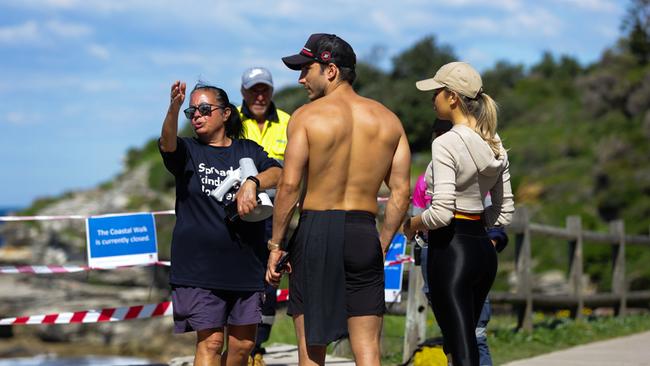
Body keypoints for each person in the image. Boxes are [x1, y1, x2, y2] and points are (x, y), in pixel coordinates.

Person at [266, 33, 411, 366]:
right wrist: (383, 244)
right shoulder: (389, 121)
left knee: (311, 349)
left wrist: (276, 246)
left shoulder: (306, 117)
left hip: (318, 229)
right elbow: (400, 193)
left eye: (306, 69)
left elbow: (289, 185)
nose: (301, 78)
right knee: (368, 350)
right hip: (363, 231)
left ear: (330, 70)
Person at [159, 80, 282, 366]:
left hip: (246, 265)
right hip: (199, 266)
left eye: (204, 109)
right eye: (192, 112)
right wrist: (174, 109)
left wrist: (253, 182)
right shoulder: (187, 151)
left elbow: (279, 172)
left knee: (244, 345)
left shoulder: (247, 150)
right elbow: (167, 144)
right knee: (212, 343)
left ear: (226, 113)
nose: (197, 116)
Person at [403, 62, 515, 366]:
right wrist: (477, 228)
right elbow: (505, 210)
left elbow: (440, 213)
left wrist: (411, 224)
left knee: (460, 345)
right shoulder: (496, 144)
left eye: (437, 92)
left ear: (452, 97)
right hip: (481, 250)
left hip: (450, 250)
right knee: (465, 342)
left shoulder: (446, 142)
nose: (432, 99)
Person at [238, 67, 291, 365]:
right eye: (253, 90)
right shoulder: (230, 118)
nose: (259, 96)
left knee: (269, 280)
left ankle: (258, 348)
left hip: (276, 216)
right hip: (238, 214)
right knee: (235, 277)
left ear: (271, 91)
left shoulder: (288, 122)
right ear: (243, 92)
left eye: (264, 90)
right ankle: (235, 347)